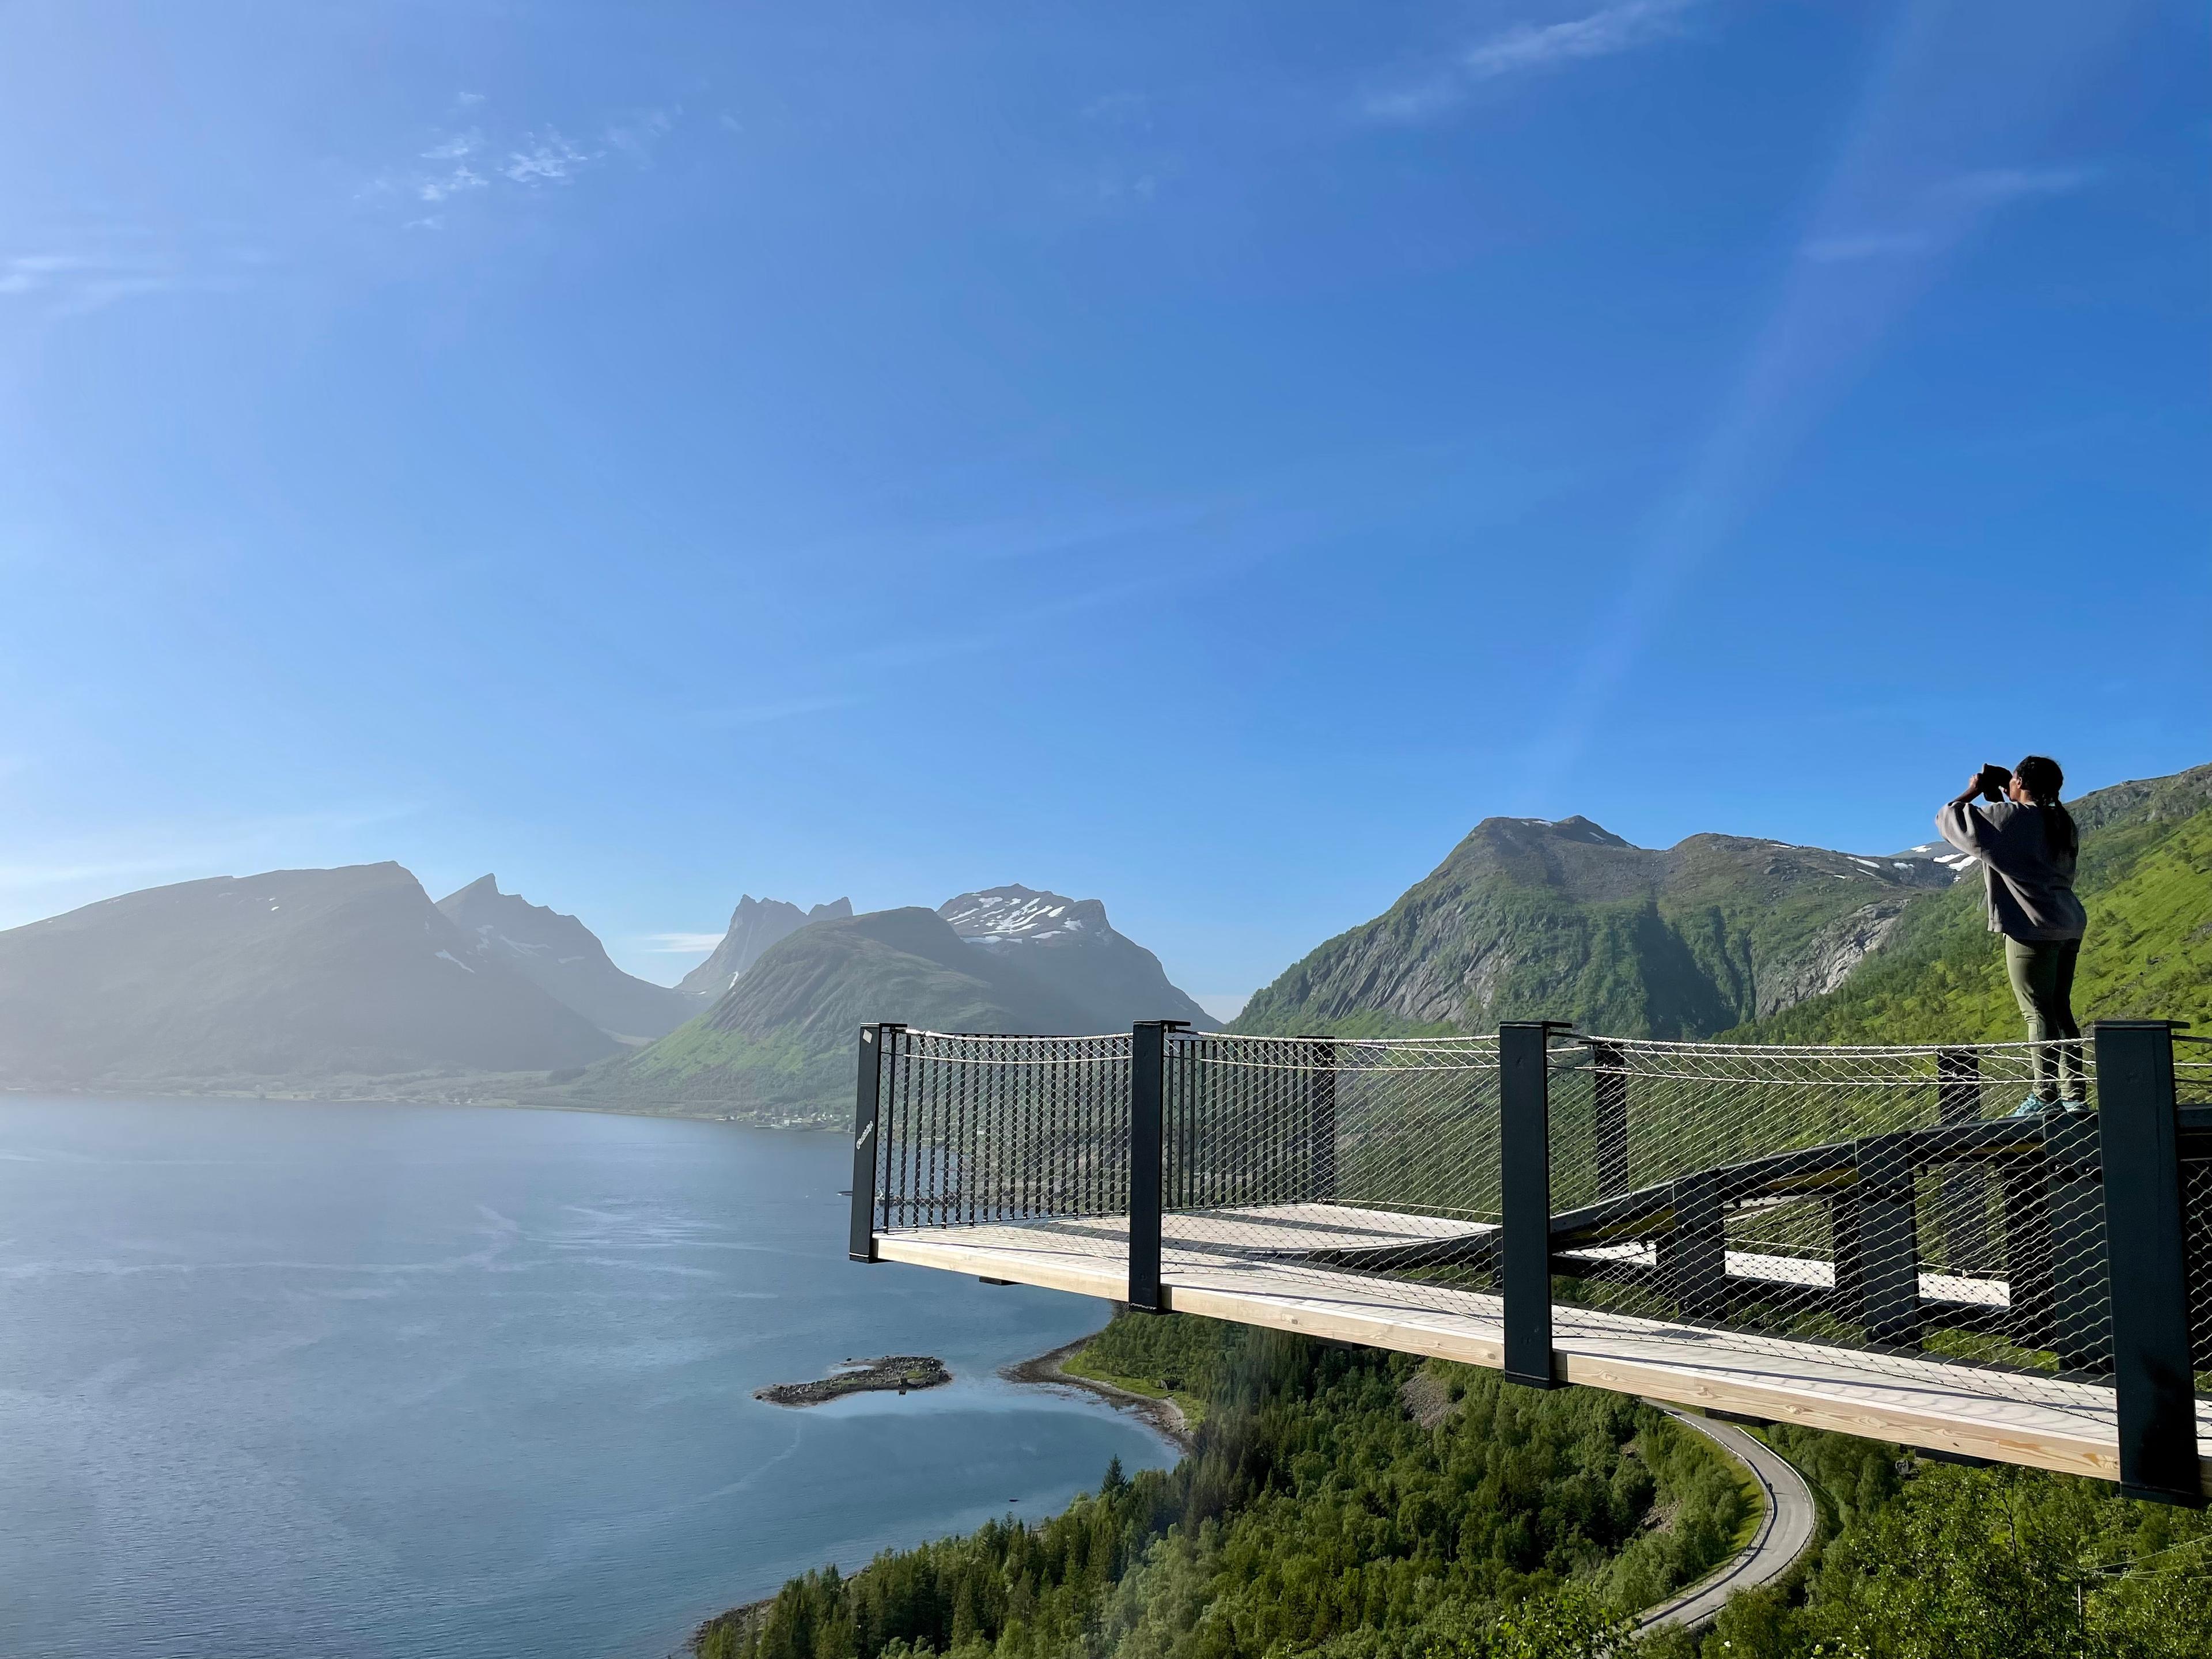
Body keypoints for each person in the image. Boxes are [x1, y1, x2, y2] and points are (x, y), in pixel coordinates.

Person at [1936, 756, 2089, 1113]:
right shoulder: (2061, 820)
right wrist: (2010, 795)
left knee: (2037, 1012)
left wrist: (1973, 790)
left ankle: (2044, 1097)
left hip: (2031, 925)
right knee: (2059, 1008)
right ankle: (2073, 1097)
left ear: (2019, 781)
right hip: (2068, 921)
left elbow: (1949, 819)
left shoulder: (2011, 817)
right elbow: (2018, 832)